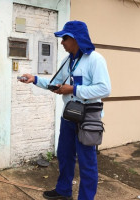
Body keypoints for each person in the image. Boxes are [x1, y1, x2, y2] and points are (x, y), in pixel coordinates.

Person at [20, 21, 111, 200]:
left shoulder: (95, 59)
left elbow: (104, 89)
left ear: (76, 39)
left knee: (87, 162)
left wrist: (73, 89)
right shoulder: (67, 61)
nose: (62, 42)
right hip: (69, 116)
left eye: (65, 38)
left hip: (88, 118)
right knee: (64, 155)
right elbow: (56, 84)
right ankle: (63, 190)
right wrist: (35, 79)